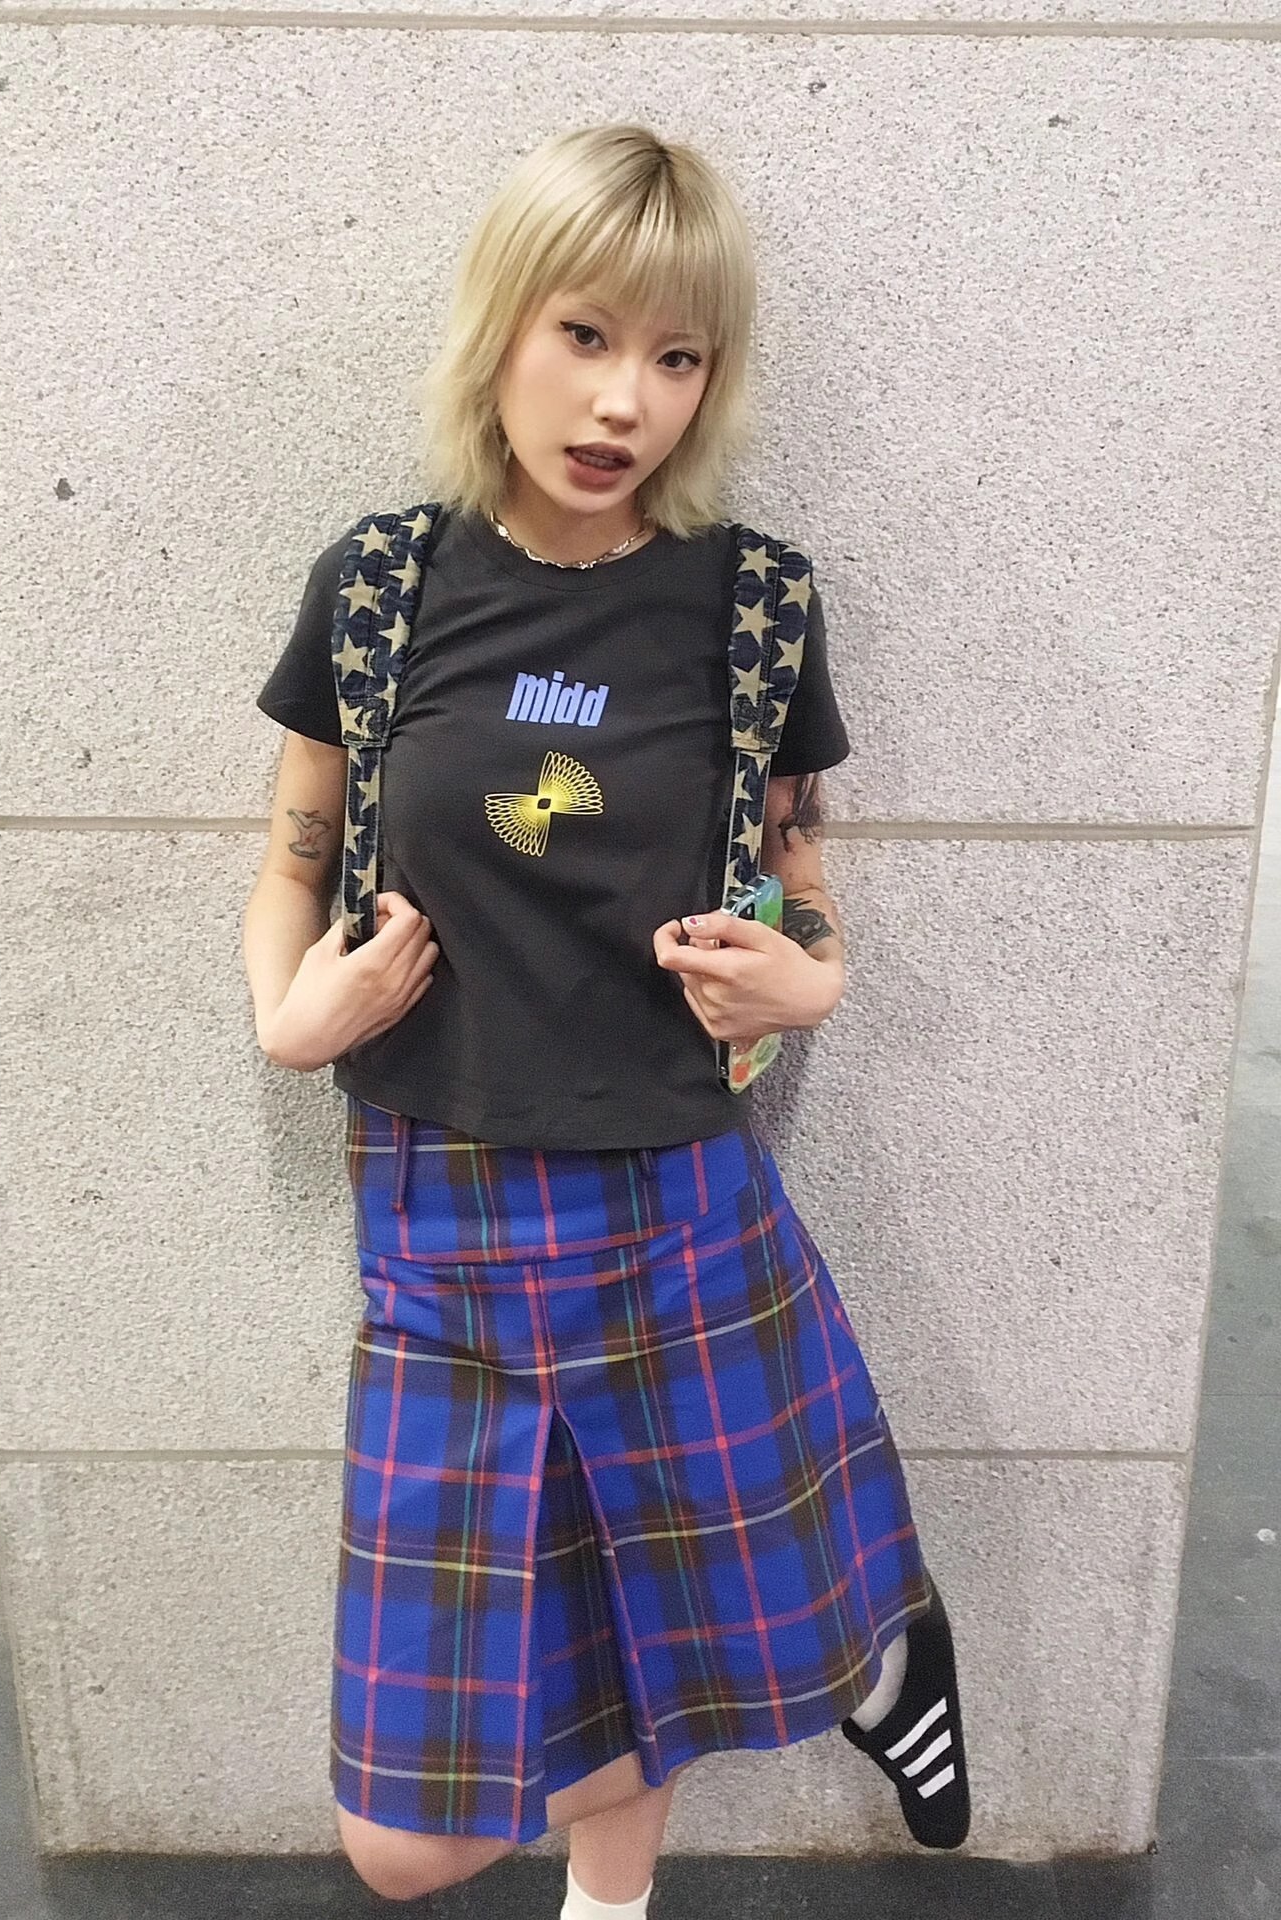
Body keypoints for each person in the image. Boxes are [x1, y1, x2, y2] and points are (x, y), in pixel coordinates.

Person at [243, 123, 970, 1917]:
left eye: (677, 355)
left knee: (652, 1633)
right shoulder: (381, 587)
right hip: (440, 1218)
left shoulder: (753, 606)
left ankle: (617, 1897)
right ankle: (876, 1650)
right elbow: (291, 857)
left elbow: (802, 874)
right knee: (407, 1842)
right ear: (502, 325)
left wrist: (809, 979)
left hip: (671, 1197)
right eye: (584, 334)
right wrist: (291, 1014)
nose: (624, 400)